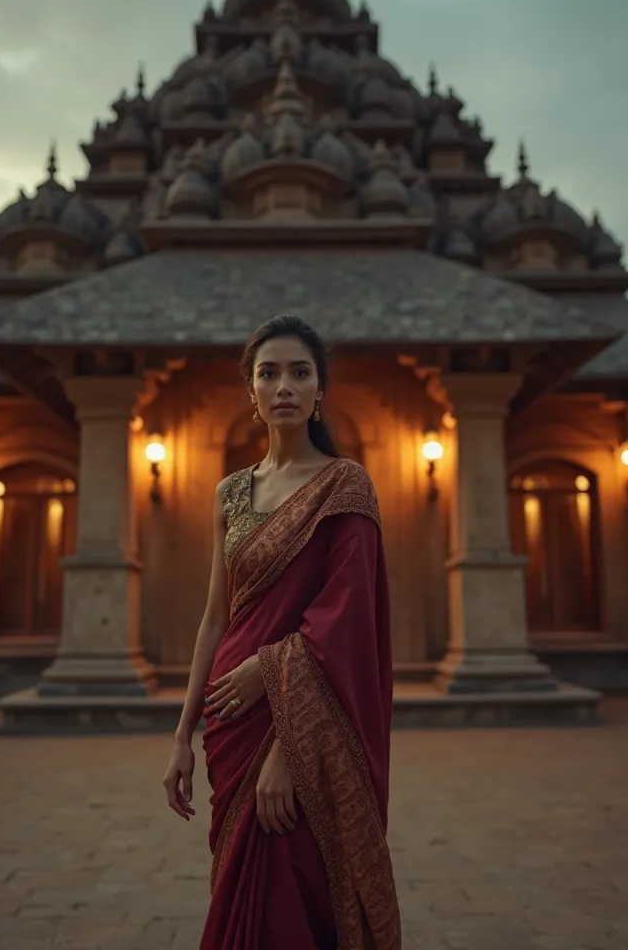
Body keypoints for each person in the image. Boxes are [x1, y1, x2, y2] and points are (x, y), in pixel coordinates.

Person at [162, 315, 402, 950]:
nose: (285, 385)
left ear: (320, 390)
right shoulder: (230, 493)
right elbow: (216, 616)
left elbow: (345, 622)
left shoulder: (345, 485)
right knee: (236, 884)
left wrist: (287, 750)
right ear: (252, 391)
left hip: (298, 722)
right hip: (229, 722)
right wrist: (184, 732)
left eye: (301, 372)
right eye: (269, 373)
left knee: (293, 894)